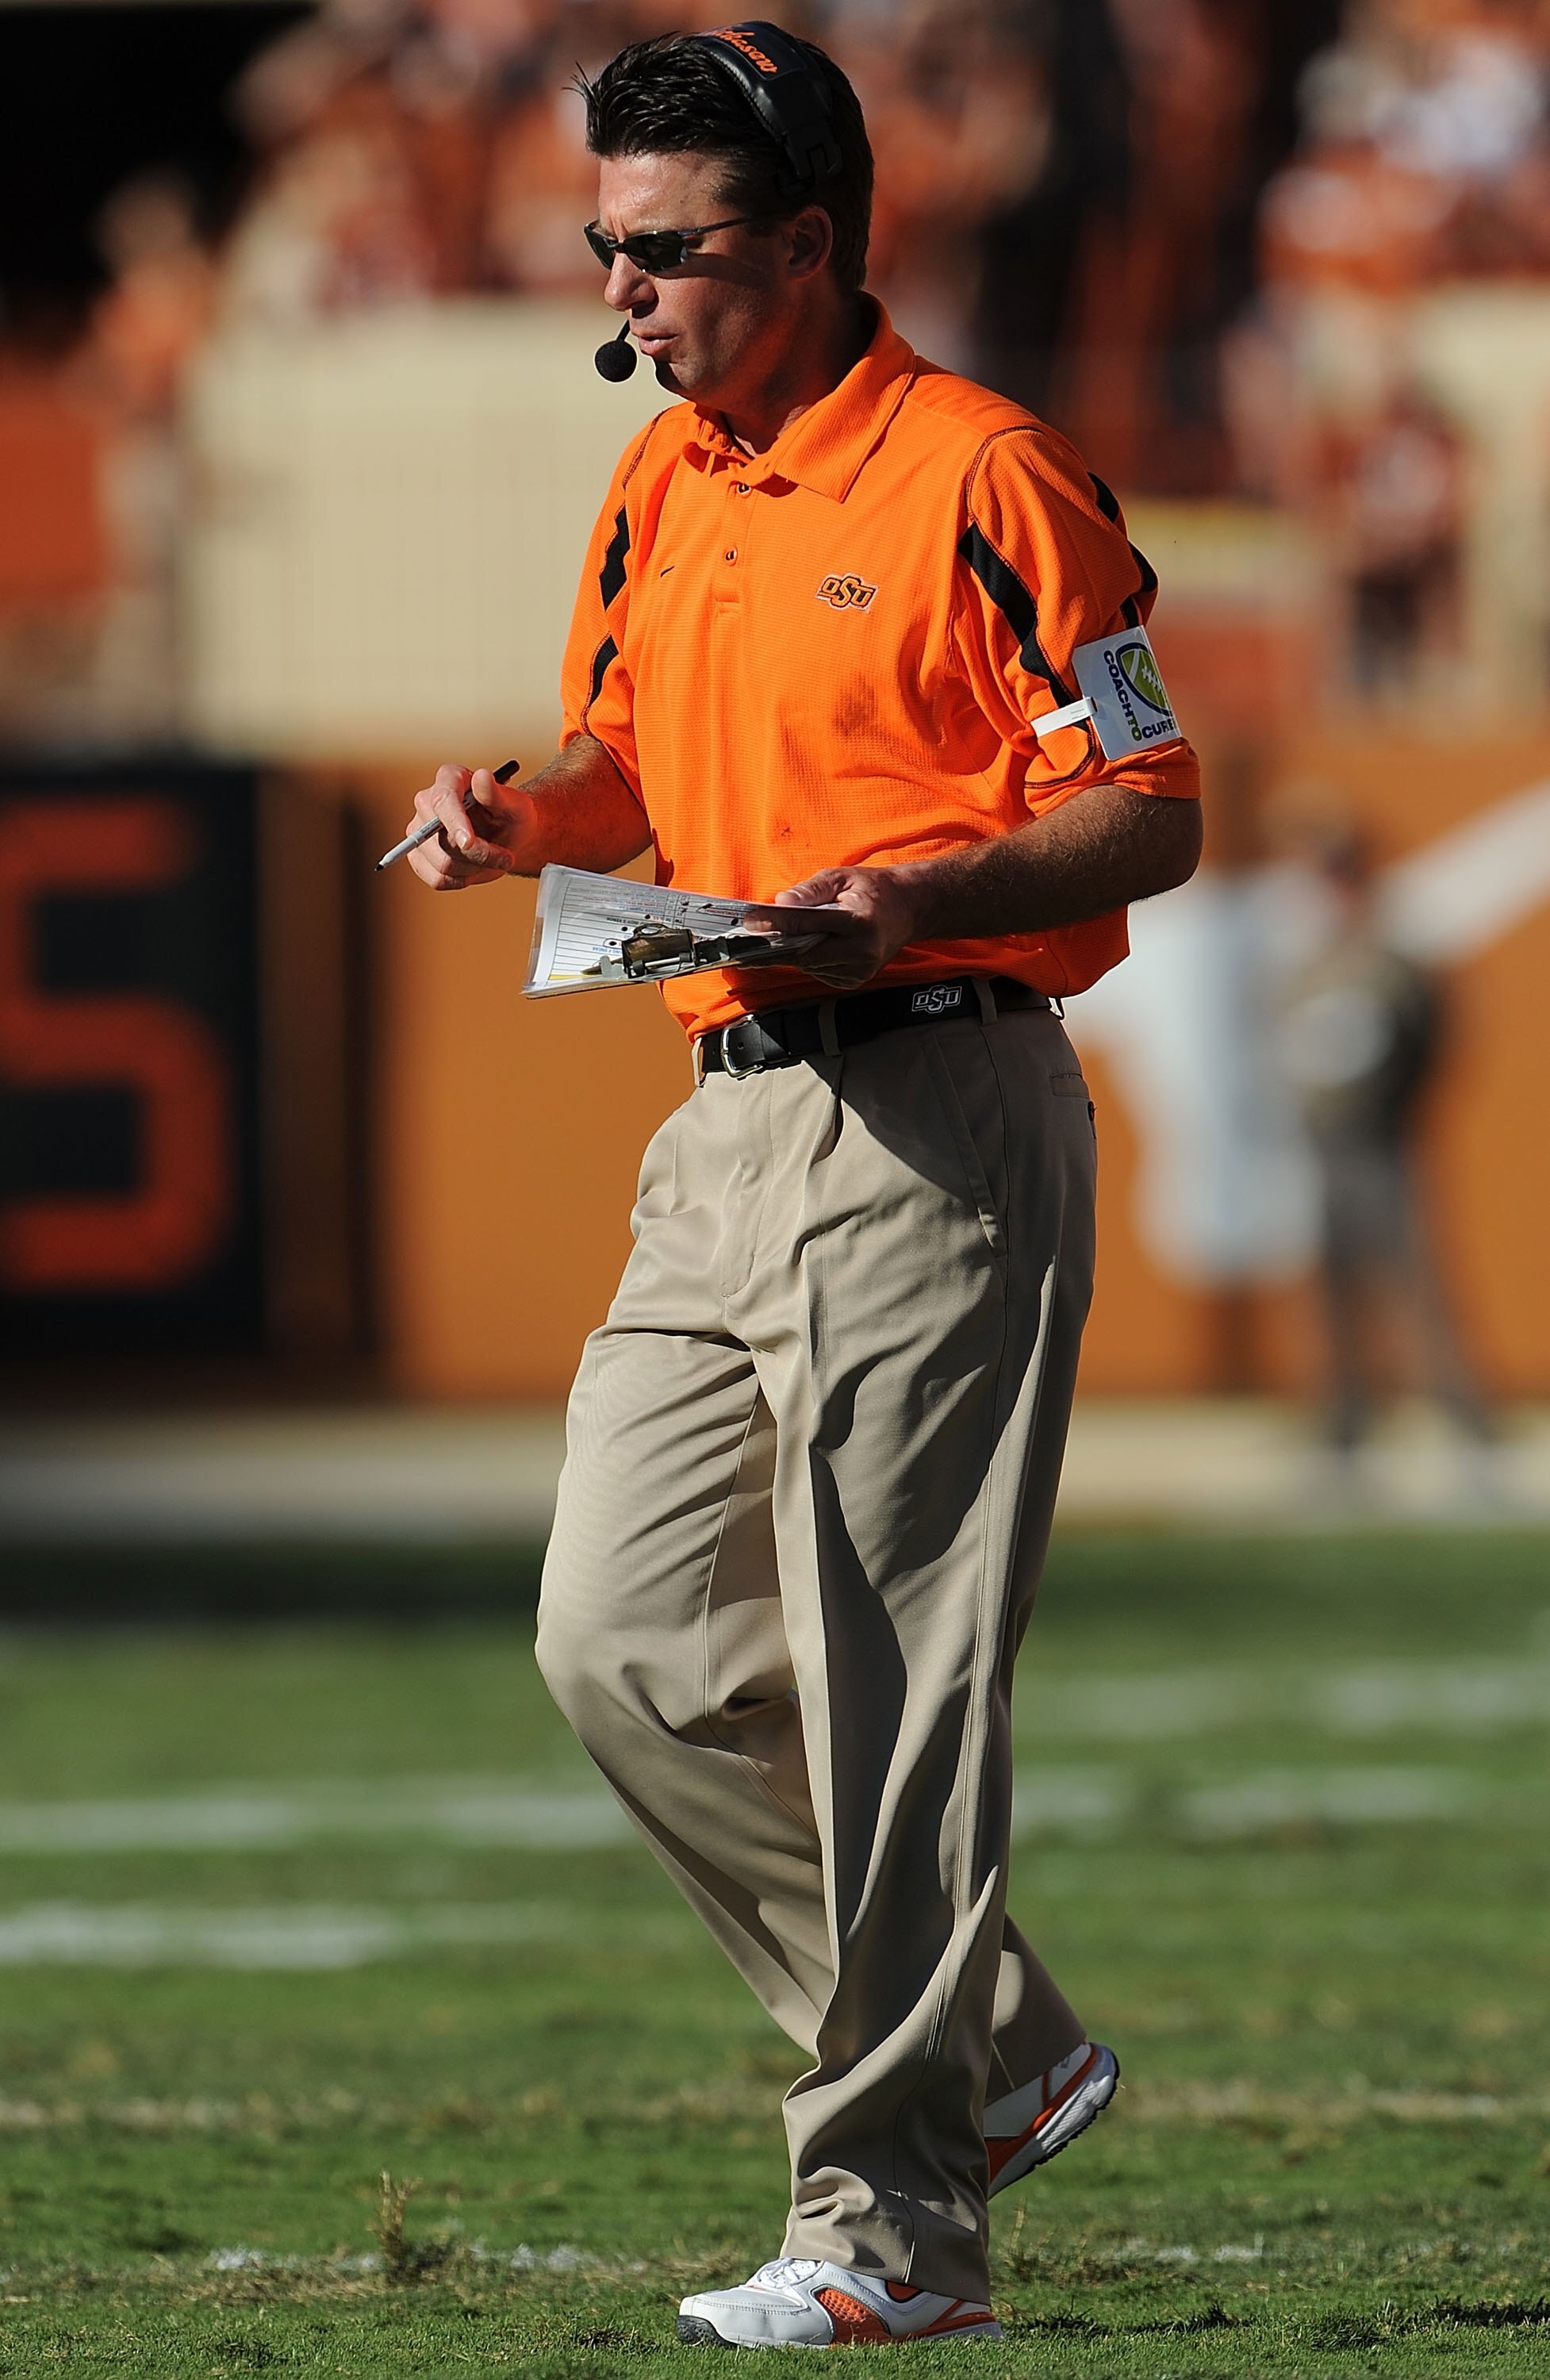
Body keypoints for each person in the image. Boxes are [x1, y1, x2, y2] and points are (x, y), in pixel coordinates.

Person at [404, 21, 1202, 2348]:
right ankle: (1010, 2049)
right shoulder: (666, 482)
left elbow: (1154, 804)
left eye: (668, 252)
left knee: (887, 1687)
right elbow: (638, 762)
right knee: (620, 1642)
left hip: (939, 1108)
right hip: (721, 1110)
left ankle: (892, 2236)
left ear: (817, 245)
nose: (626, 292)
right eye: (609, 247)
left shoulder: (988, 470)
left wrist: (919, 898)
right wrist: (519, 819)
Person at [1280, 823, 1491, 1461]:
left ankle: (1460, 1414)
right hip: (1325, 1145)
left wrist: (1398, 1110)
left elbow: (1434, 1043)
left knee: (1414, 1279)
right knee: (1332, 1288)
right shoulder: (1308, 966)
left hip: (1382, 1143)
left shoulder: (1393, 963)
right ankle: (1345, 1417)